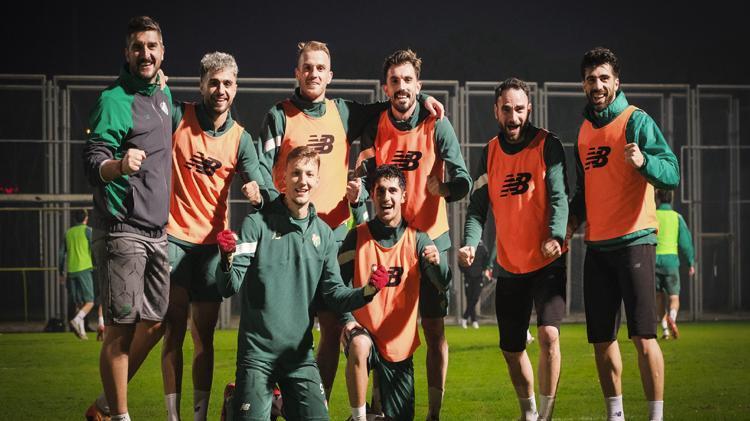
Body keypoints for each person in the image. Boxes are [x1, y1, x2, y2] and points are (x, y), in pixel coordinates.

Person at [256, 40, 444, 402]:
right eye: (307, 67)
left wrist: (423, 99)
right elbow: (262, 170)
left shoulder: (342, 112)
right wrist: (276, 213)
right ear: (297, 73)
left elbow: (394, 100)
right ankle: (270, 399)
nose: (313, 74)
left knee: (331, 329)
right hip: (288, 240)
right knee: (286, 330)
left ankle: (318, 407)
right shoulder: (279, 115)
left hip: (332, 242)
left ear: (330, 75)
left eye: (320, 68)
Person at [216, 146, 387, 421]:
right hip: (257, 355)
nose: (302, 181)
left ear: (317, 180)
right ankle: (239, 400)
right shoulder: (256, 224)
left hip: (299, 357)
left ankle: (271, 402)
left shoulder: (324, 235)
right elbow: (228, 287)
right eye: (295, 173)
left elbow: (334, 294)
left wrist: (367, 291)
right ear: (283, 177)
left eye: (309, 174)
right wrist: (225, 260)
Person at [355, 48, 471, 420]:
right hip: (388, 243)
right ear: (385, 87)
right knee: (380, 327)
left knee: (434, 331)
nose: (401, 86)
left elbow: (464, 179)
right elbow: (366, 177)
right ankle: (377, 408)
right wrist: (358, 194)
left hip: (430, 240)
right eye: (395, 80)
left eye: (408, 80)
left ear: (418, 85)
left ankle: (434, 413)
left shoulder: (437, 123)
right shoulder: (375, 124)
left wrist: (445, 189)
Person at [567, 47, 679, 421]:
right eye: (590, 79)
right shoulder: (584, 132)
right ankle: (615, 415)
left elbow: (672, 172)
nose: (597, 85)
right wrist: (571, 223)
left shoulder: (636, 121)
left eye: (604, 78)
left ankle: (655, 416)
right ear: (583, 85)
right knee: (602, 340)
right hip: (597, 247)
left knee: (643, 336)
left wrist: (644, 162)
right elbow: (583, 192)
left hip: (634, 242)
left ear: (616, 82)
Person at [159, 52, 266, 421]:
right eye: (214, 82)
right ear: (201, 85)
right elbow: (147, 104)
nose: (221, 90)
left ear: (236, 88)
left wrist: (256, 189)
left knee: (203, 337)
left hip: (212, 250)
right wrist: (156, 87)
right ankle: (173, 417)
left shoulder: (240, 138)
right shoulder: (178, 116)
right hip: (173, 240)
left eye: (228, 83)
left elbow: (259, 181)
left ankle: (200, 416)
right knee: (172, 331)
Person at [459, 77, 569, 421]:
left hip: (547, 260)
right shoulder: (490, 151)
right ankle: (530, 412)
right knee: (511, 349)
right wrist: (470, 242)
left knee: (548, 335)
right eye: (506, 109)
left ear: (529, 109)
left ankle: (546, 415)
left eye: (519, 109)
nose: (513, 116)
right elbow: (477, 207)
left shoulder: (548, 144)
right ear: (496, 111)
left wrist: (556, 235)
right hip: (509, 266)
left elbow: (559, 196)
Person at [82, 16, 172, 421]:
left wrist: (160, 84)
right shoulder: (113, 100)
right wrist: (118, 165)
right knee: (120, 330)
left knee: (153, 325)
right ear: (127, 53)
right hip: (121, 229)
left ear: (162, 52)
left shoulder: (162, 93)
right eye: (138, 47)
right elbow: (92, 162)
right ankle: (119, 415)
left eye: (152, 46)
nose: (145, 54)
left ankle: (103, 407)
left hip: (157, 231)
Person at [338, 164, 448, 421]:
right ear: (372, 195)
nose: (386, 197)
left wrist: (438, 264)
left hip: (399, 345)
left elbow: (443, 283)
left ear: (403, 196)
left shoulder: (418, 239)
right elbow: (336, 287)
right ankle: (359, 417)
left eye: (392, 191)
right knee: (359, 345)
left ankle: (374, 414)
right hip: (363, 332)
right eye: (380, 191)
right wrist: (347, 320)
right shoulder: (356, 237)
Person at [654, 189, 695, 340]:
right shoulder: (677, 217)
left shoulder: (653, 216)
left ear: (657, 197)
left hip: (654, 262)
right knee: (674, 297)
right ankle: (672, 317)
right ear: (671, 198)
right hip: (671, 262)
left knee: (658, 297)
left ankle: (665, 329)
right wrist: (690, 262)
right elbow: (686, 243)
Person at [58, 209, 95, 340]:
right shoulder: (88, 231)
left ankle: (82, 332)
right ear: (86, 218)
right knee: (90, 302)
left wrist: (61, 272)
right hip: (84, 269)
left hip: (71, 271)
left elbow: (61, 254)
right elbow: (94, 248)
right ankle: (76, 320)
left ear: (74, 219)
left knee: (79, 303)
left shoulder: (68, 232)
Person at [458, 240, 491, 329]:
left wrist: (485, 270)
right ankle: (474, 320)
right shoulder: (465, 245)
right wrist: (465, 272)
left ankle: (465, 317)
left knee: (475, 297)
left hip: (478, 277)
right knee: (469, 298)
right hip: (468, 277)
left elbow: (486, 261)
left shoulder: (482, 247)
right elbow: (460, 261)